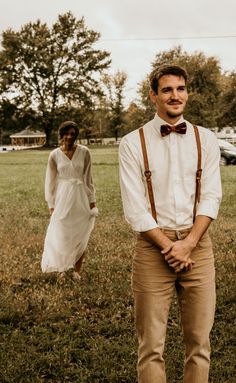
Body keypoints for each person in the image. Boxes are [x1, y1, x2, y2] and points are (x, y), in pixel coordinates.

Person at [119, 64, 222, 383]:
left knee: (199, 345)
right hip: (153, 251)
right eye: (167, 89)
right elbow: (135, 208)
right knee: (150, 347)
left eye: (180, 89)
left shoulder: (206, 139)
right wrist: (169, 247)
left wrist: (189, 243)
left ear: (187, 93)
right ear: (153, 96)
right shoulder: (132, 143)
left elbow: (211, 196)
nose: (175, 95)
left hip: (198, 248)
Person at [41, 121, 98, 279]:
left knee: (81, 234)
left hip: (80, 197)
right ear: (61, 135)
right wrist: (51, 205)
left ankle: (76, 271)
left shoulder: (85, 152)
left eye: (73, 134)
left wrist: (92, 201)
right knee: (62, 233)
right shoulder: (54, 155)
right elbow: (50, 181)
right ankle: (61, 269)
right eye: (66, 133)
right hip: (62, 197)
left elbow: (88, 178)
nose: (69, 137)